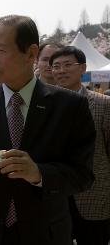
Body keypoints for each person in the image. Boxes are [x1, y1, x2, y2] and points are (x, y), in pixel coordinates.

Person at [0, 15, 96, 245]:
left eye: (1, 50)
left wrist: (37, 172)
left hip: (45, 232)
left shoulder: (69, 106)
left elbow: (83, 175)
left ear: (31, 53)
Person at [51, 46, 110, 245]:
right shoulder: (43, 105)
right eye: (56, 66)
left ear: (83, 68)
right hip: (55, 196)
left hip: (94, 195)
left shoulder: (103, 104)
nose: (61, 70)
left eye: (68, 65)